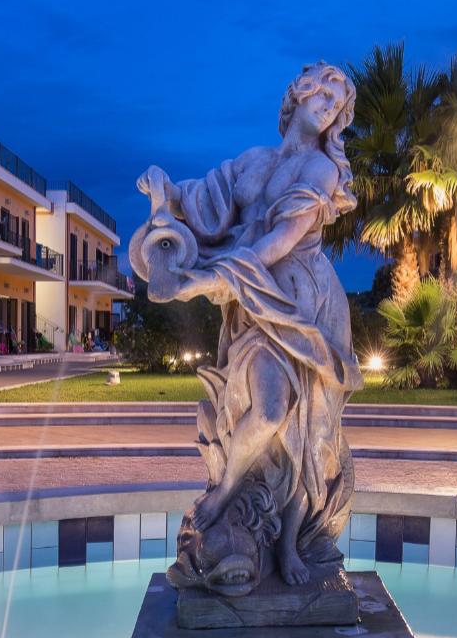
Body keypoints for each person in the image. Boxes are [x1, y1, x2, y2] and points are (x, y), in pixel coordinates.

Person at [134, 61, 362, 592]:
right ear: (298, 95)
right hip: (251, 301)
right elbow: (202, 206)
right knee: (268, 410)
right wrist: (164, 194)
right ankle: (229, 494)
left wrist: (211, 281)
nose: (328, 104)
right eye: (322, 91)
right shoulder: (253, 162)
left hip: (300, 301)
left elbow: (279, 242)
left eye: (337, 101)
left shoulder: (322, 172)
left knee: (305, 426)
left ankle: (287, 541)